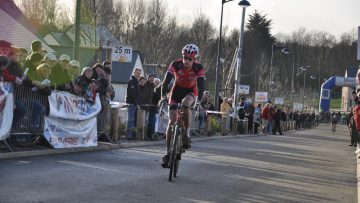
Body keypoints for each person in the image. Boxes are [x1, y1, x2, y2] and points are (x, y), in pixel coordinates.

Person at [160, 44, 205, 168]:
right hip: (176, 91)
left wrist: (199, 101)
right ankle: (168, 151)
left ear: (194, 59)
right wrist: (163, 96)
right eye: (185, 57)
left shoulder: (198, 67)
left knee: (186, 104)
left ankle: (186, 133)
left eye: (190, 59)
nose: (186, 61)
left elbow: (201, 86)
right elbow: (166, 81)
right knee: (171, 121)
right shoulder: (175, 64)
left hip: (190, 91)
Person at [126, 68, 142, 140]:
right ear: (134, 72)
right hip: (132, 103)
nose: (138, 74)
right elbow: (132, 94)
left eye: (139, 73)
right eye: (137, 73)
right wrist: (136, 103)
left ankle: (132, 134)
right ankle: (129, 135)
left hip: (135, 104)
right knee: (131, 119)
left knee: (134, 120)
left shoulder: (136, 81)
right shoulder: (131, 81)